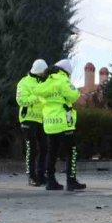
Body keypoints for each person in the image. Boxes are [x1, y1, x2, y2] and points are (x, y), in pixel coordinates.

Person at [40, 59, 86, 191]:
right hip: (63, 122)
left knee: (52, 152)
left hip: (49, 122)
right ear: (66, 71)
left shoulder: (46, 81)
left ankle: (50, 181)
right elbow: (73, 95)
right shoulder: (62, 80)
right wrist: (77, 92)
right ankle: (71, 181)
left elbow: (40, 96)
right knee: (71, 151)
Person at [16, 59, 48, 186]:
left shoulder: (44, 82)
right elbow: (21, 100)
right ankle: (31, 176)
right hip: (28, 118)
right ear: (38, 72)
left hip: (42, 119)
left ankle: (41, 175)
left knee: (44, 147)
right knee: (32, 148)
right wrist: (38, 97)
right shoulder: (24, 82)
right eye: (43, 73)